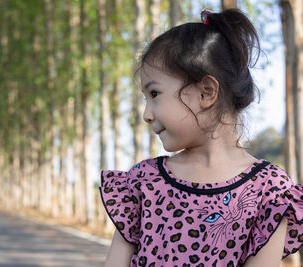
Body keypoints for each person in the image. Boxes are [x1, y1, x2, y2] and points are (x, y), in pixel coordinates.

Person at [99, 8, 303, 267]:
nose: (147, 114)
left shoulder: (270, 191)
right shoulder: (143, 182)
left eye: (154, 94)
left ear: (206, 92)